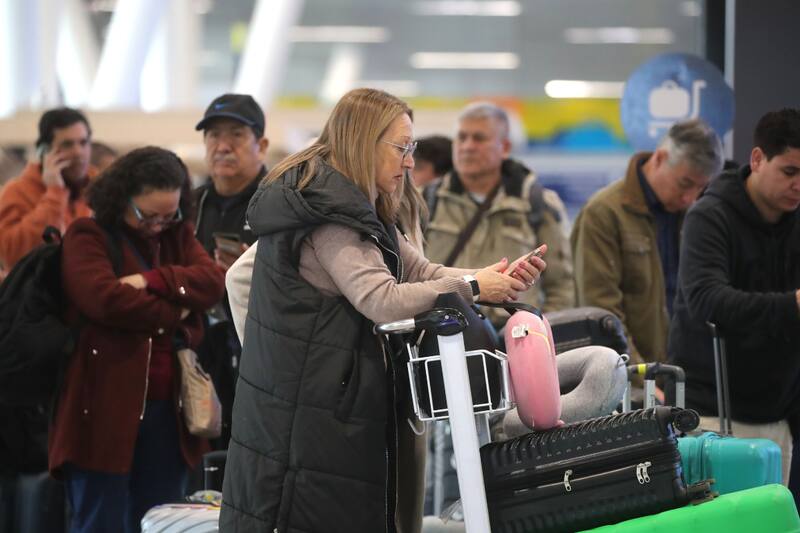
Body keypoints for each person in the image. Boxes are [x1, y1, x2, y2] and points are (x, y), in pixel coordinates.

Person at [220, 88, 546, 533]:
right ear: (364, 141)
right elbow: (381, 300)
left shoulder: (357, 205)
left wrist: (493, 278)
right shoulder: (329, 214)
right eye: (402, 148)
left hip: (332, 405)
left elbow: (420, 270)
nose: (410, 162)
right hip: (311, 416)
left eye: (412, 148)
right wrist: (472, 287)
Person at [48, 146, 226, 532]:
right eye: (147, 216)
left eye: (169, 215)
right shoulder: (88, 235)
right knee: (100, 521)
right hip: (101, 408)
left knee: (162, 522)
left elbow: (212, 281)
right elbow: (104, 300)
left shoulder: (177, 234)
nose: (158, 225)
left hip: (168, 413)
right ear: (121, 198)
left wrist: (151, 280)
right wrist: (176, 311)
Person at [668, 109, 800, 484]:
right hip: (710, 416)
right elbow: (707, 300)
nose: (798, 185)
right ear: (757, 159)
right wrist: (792, 306)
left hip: (778, 416)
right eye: (789, 171)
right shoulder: (709, 217)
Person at [571, 119, 723, 370]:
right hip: (634, 377)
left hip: (687, 373)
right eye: (685, 183)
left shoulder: (696, 216)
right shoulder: (604, 213)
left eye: (701, 187)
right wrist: (640, 376)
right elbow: (601, 312)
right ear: (660, 158)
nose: (690, 197)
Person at [423, 102, 574, 329]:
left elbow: (562, 286)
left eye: (479, 138)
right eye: (461, 138)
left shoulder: (538, 203)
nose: (467, 146)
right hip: (445, 331)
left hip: (516, 333)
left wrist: (542, 331)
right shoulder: (426, 201)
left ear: (504, 147)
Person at [193, 93, 269, 450]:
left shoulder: (279, 204)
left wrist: (249, 274)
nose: (222, 146)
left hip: (258, 352)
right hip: (201, 353)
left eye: (236, 135)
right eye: (213, 135)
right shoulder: (190, 204)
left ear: (261, 145)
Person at [0, 107, 95, 270]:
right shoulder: (17, 191)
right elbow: (13, 255)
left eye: (83, 142)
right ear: (45, 151)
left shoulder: (98, 188)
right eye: (67, 144)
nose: (78, 152)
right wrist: (54, 194)